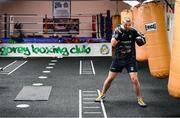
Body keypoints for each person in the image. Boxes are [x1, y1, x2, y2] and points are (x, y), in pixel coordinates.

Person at [95, 17, 147, 107]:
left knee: (134, 79)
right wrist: (119, 36)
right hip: (119, 58)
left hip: (130, 59)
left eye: (129, 24)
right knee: (110, 78)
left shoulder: (133, 30)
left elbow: (143, 39)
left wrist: (142, 39)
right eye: (126, 25)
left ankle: (139, 98)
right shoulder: (117, 30)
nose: (128, 26)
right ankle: (102, 94)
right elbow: (112, 44)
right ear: (123, 23)